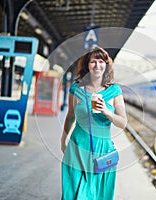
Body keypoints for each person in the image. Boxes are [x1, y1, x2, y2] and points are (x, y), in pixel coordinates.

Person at [61, 46, 127, 200]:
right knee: (73, 193)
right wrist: (63, 139)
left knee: (99, 195)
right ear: (87, 65)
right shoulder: (76, 89)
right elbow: (71, 116)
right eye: (93, 62)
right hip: (77, 147)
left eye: (101, 61)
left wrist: (107, 111)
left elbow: (123, 122)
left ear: (107, 65)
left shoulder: (115, 91)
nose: (97, 65)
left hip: (102, 150)